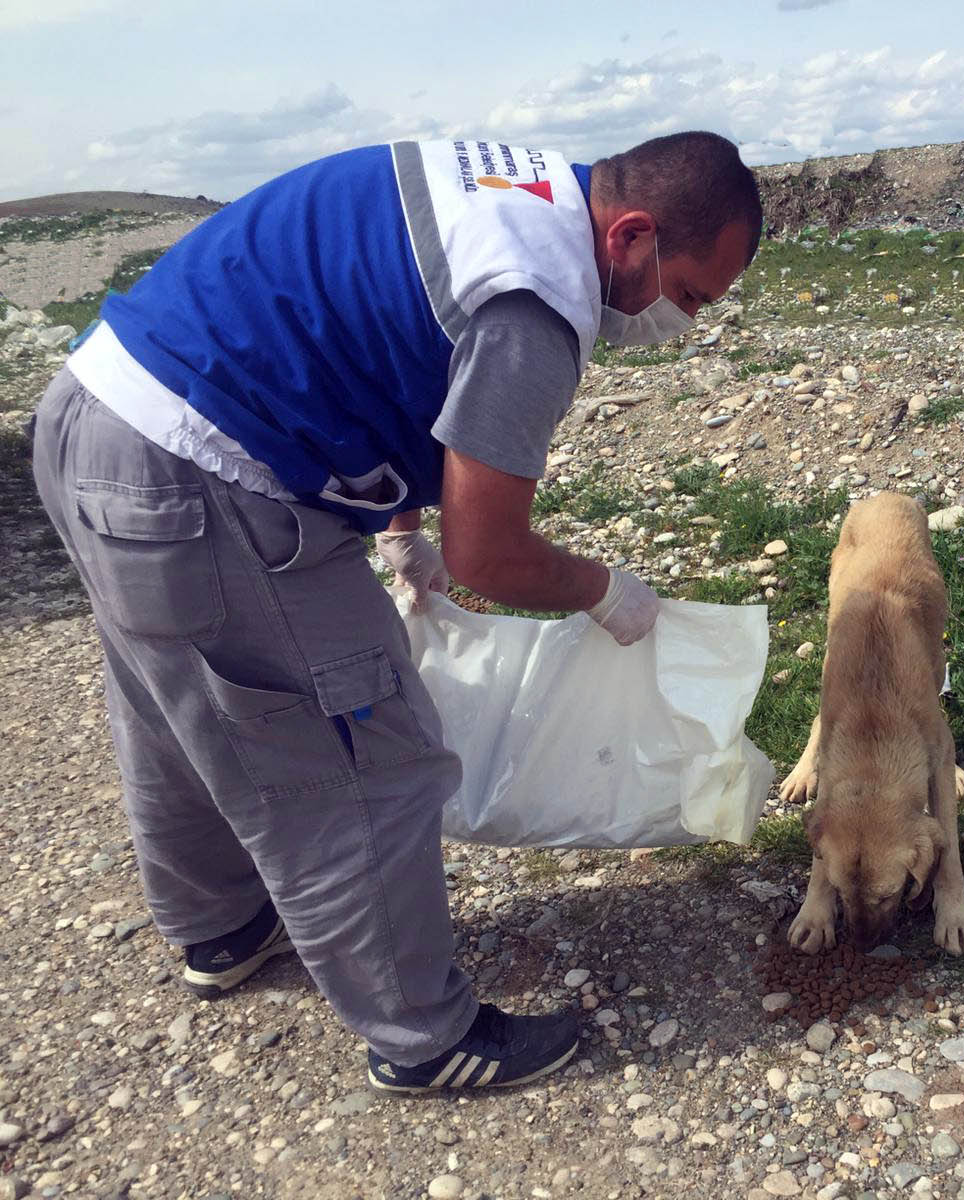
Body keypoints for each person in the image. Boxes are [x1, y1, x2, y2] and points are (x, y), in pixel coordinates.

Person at [30, 131, 762, 1093]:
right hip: (197, 472)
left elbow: (385, 347)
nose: (686, 321)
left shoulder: (513, 188)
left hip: (94, 416)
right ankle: (423, 1036)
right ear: (631, 235)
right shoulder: (534, 306)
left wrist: (395, 526)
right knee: (367, 755)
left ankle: (221, 928)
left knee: (183, 705)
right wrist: (604, 591)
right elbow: (491, 554)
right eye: (693, 294)